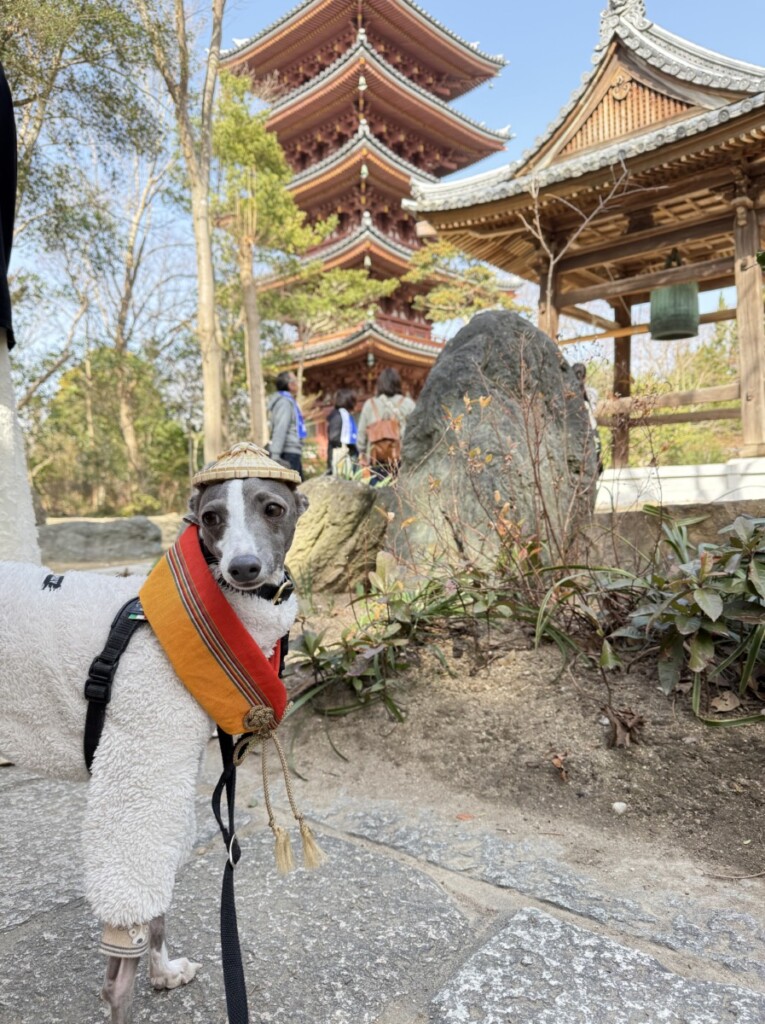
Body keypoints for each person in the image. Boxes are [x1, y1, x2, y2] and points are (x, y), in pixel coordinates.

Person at [357, 367, 415, 484]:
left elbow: (361, 436)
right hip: (400, 459)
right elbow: (415, 432)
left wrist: (362, 453)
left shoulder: (370, 405)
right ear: (398, 384)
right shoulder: (408, 404)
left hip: (375, 460)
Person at [267, 370, 306, 479]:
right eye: (295, 380)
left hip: (293, 450)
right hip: (287, 453)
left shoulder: (289, 401)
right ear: (290, 384)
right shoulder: (284, 403)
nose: (298, 383)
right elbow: (281, 428)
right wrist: (275, 454)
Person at [572, 362, 603, 475]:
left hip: (576, 435)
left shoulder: (567, 395)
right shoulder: (592, 394)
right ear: (585, 377)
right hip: (592, 432)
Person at [326, 388, 359, 477]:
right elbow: (334, 437)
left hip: (350, 454)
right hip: (341, 455)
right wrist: (347, 446)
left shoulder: (347, 415)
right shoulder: (338, 416)